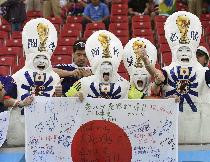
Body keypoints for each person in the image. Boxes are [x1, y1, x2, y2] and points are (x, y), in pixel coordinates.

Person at [142, 11, 210, 144]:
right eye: (181, 50)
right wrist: (145, 60)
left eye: (187, 50)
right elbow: (156, 74)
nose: (184, 53)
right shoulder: (167, 71)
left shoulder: (203, 72)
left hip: (197, 123)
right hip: (173, 123)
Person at [6, 18, 62, 146]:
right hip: (22, 131)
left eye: (44, 58)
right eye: (38, 58)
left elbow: (58, 105)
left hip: (47, 132)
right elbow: (5, 99)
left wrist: (58, 95)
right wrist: (19, 103)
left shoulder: (55, 78)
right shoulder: (17, 76)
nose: (42, 61)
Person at [66, 30, 129, 100]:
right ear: (98, 66)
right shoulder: (82, 82)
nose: (106, 67)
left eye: (109, 64)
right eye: (103, 64)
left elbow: (141, 100)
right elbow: (66, 98)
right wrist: (75, 96)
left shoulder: (125, 84)